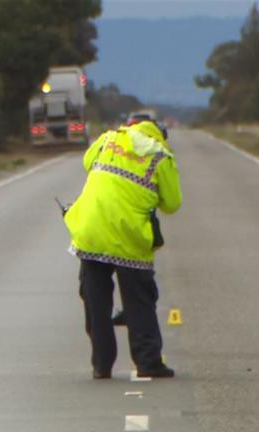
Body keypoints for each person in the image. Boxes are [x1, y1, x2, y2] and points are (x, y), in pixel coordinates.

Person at [64, 120, 182, 379]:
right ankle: (148, 362)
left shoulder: (109, 139)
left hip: (91, 230)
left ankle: (101, 365)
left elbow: (87, 163)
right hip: (129, 236)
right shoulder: (161, 156)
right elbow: (172, 204)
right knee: (139, 299)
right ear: (160, 137)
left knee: (96, 301)